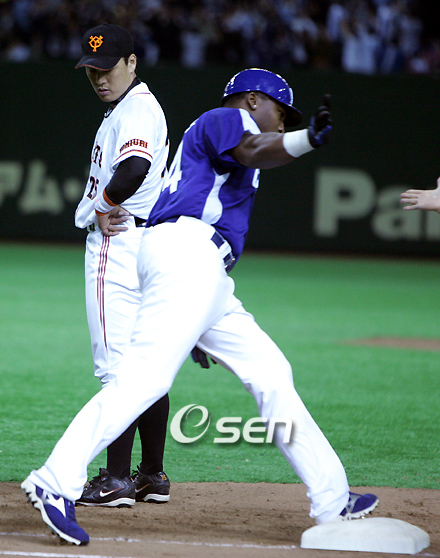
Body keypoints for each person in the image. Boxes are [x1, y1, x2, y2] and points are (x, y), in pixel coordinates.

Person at [22, 68, 379, 546]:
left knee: (271, 372)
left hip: (202, 270)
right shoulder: (225, 120)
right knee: (144, 380)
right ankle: (54, 480)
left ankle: (332, 499)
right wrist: (306, 140)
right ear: (252, 101)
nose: (283, 124)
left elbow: (245, 164)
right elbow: (254, 150)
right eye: (281, 113)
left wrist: (197, 320)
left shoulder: (226, 133)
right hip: (187, 254)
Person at [72, 23, 171, 508]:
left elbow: (134, 169)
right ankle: (151, 475)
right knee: (146, 367)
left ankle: (115, 480)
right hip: (143, 242)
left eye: (108, 67)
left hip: (116, 244)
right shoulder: (132, 107)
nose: (99, 78)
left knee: (116, 370)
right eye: (92, 70)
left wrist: (103, 206)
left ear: (132, 62)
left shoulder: (135, 109)